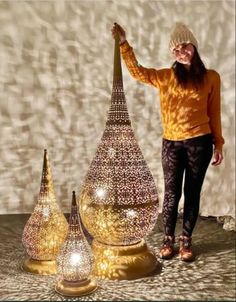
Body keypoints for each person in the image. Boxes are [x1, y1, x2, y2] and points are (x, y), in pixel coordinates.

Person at [112, 22, 224, 261]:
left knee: (192, 193)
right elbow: (138, 72)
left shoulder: (211, 78)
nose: (181, 52)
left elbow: (214, 113)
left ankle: (186, 241)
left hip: (200, 143)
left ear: (193, 46)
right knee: (171, 193)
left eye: (185, 46)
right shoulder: (164, 77)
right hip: (171, 144)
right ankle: (168, 239)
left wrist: (219, 144)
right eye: (175, 49)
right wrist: (123, 44)